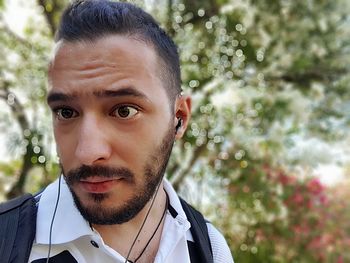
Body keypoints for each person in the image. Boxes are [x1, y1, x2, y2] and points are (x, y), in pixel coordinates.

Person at [0, 1, 234, 262]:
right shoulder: (7, 242)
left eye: (124, 111)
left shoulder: (211, 248)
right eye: (66, 112)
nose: (88, 153)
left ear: (178, 118)